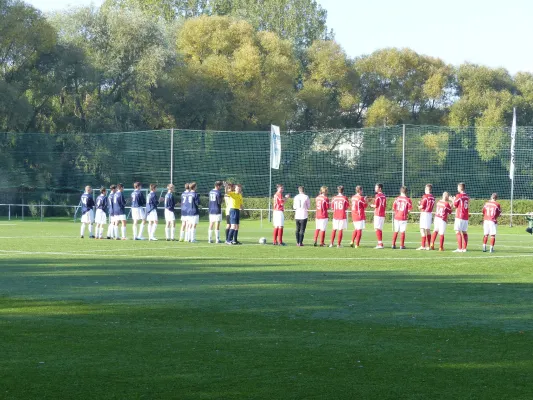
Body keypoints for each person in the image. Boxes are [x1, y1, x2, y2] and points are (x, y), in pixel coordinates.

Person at [452, 182, 470, 253]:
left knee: (457, 231)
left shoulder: (459, 196)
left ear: (460, 188)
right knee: (464, 232)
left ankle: (459, 248)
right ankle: (464, 248)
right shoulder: (467, 196)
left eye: (458, 187)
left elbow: (455, 205)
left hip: (459, 215)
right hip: (465, 216)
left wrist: (452, 199)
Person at [417, 184, 435, 251]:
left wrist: (419, 206)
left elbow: (422, 206)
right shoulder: (433, 197)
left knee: (422, 229)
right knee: (428, 230)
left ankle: (423, 246)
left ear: (427, 189)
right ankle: (429, 246)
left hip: (424, 213)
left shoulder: (425, 196)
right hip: (429, 214)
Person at [370, 183, 386, 249]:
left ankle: (380, 244)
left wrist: (371, 205)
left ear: (380, 188)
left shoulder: (377, 195)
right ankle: (380, 243)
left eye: (376, 187)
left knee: (377, 228)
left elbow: (376, 205)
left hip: (378, 214)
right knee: (379, 229)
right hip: (382, 214)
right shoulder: (384, 196)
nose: (375, 188)